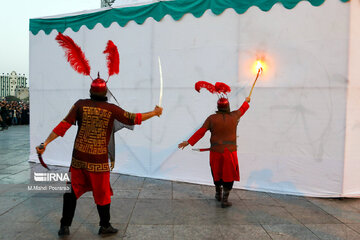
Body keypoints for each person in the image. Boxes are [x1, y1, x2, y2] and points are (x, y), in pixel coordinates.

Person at [36, 76, 163, 236]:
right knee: (102, 194)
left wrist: (45, 143)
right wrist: (155, 112)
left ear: (90, 91)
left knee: (70, 193)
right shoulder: (111, 109)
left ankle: (65, 226)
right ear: (105, 92)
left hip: (78, 160)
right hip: (98, 161)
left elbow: (64, 124)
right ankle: (104, 226)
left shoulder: (80, 104)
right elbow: (134, 118)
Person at [178, 81, 250, 208]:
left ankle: (218, 194)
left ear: (218, 107)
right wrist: (247, 101)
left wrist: (188, 142)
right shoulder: (234, 116)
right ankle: (224, 200)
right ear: (228, 106)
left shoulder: (211, 118)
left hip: (216, 153)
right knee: (228, 175)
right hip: (229, 153)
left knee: (217, 173)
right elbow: (242, 110)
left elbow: (201, 132)